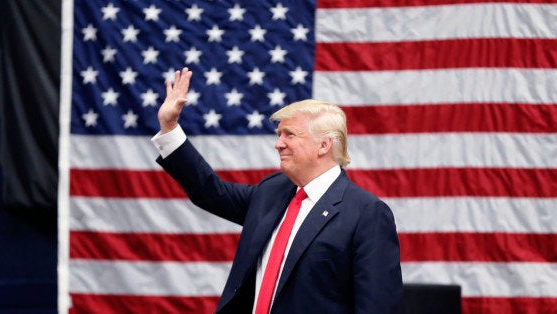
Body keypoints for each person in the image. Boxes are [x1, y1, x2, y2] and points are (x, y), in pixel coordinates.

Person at [152, 67, 403, 313]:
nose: (278, 143)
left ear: (324, 145)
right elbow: (210, 192)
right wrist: (170, 127)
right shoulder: (271, 191)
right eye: (279, 134)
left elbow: (377, 306)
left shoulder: (366, 214)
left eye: (289, 135)